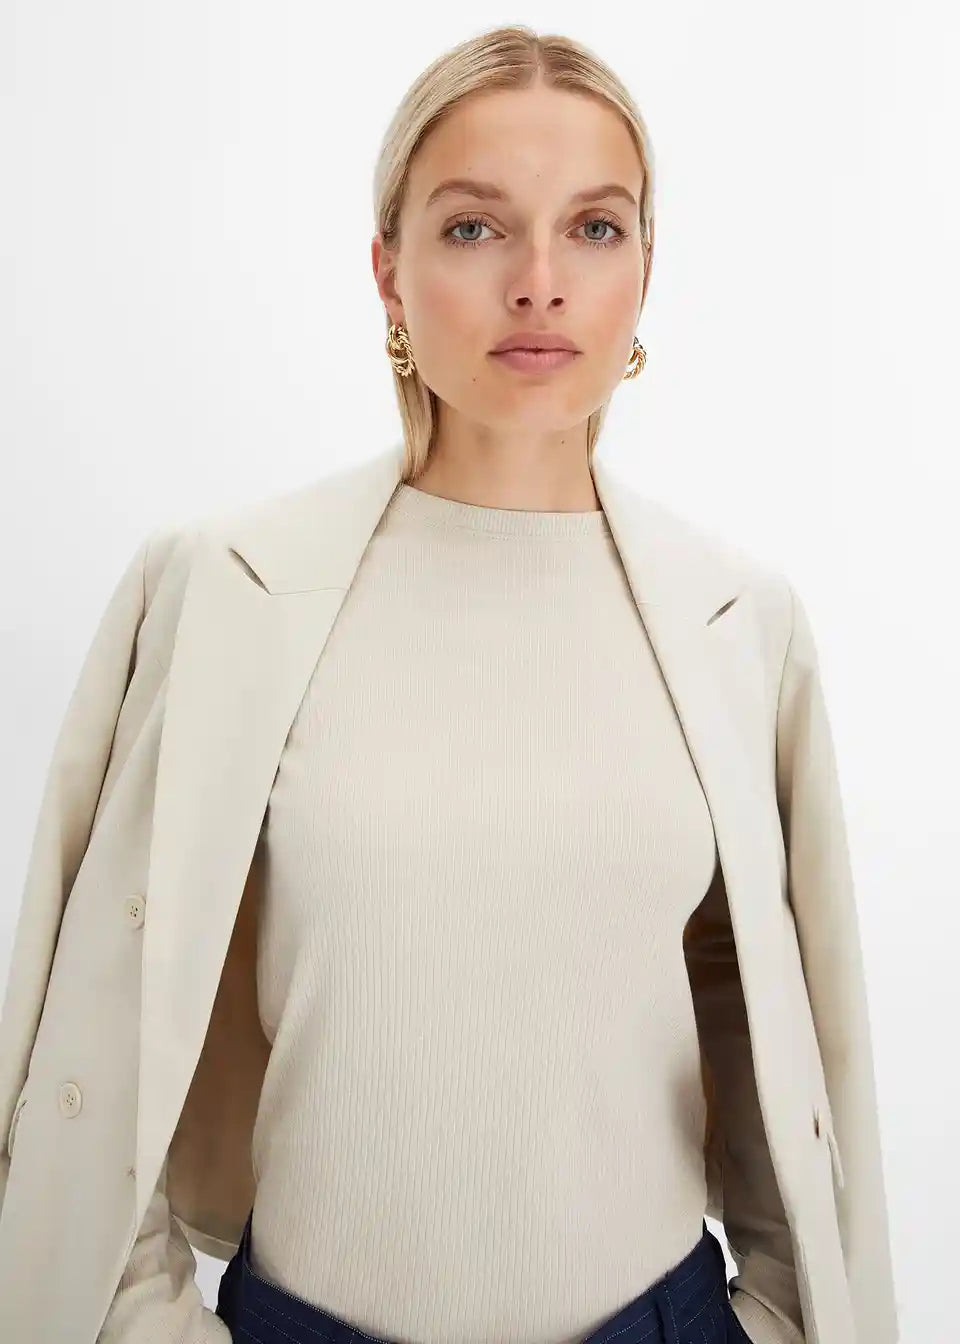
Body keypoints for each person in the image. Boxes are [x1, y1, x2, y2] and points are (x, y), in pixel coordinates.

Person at [0, 24, 898, 1344]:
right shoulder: (226, 591)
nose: (540, 284)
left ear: (646, 267)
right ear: (389, 269)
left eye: (593, 229)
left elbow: (785, 1069)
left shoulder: (739, 624)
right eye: (475, 229)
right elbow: (89, 1051)